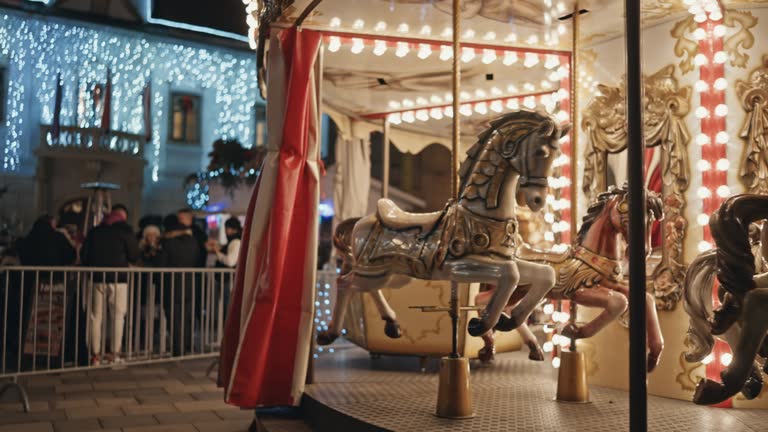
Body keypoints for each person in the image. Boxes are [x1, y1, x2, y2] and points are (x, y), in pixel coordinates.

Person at [81, 206, 140, 365]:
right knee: (117, 316)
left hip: (97, 278)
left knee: (95, 317)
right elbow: (134, 255)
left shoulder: (95, 231)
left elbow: (84, 256)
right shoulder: (125, 231)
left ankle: (95, 355)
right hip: (118, 279)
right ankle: (114, 353)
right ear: (122, 217)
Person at [153, 214, 200, 356]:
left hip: (172, 284)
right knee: (186, 317)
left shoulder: (167, 243)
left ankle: (177, 348)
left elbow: (161, 264)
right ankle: (187, 345)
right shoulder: (192, 242)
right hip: (189, 283)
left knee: (174, 318)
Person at [207, 217, 242, 325]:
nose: (227, 231)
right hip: (225, 279)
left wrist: (217, 252)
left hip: (227, 279)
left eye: (229, 228)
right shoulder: (234, 241)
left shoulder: (235, 242)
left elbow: (230, 261)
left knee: (227, 306)